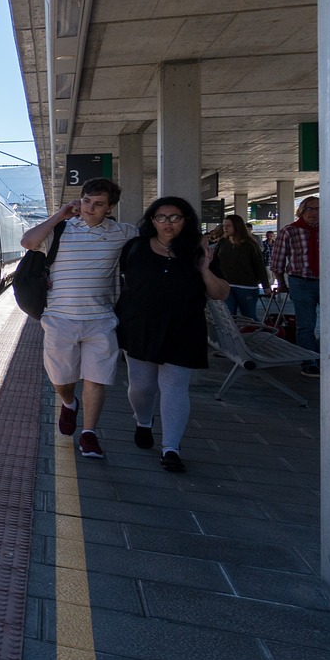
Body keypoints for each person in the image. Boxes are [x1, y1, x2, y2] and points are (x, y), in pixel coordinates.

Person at [21, 177, 135, 459]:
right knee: (61, 377)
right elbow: (28, 241)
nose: (90, 208)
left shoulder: (124, 233)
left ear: (110, 208)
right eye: (86, 201)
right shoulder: (60, 231)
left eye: (98, 204)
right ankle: (69, 403)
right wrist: (60, 215)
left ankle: (89, 434)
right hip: (60, 319)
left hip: (101, 319)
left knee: (96, 378)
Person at [115, 197, 230, 473]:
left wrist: (204, 270)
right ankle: (143, 421)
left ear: (186, 220)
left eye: (175, 217)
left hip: (184, 328)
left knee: (175, 387)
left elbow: (220, 293)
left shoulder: (199, 252)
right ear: (152, 221)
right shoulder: (135, 248)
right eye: (161, 217)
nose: (168, 223)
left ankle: (171, 448)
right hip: (140, 327)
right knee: (141, 386)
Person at [269, 195, 321, 376]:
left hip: (327, 282)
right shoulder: (290, 231)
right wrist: (281, 282)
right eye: (310, 209)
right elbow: (277, 261)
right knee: (306, 324)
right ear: (302, 211)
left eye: (318, 209)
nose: (315, 213)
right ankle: (309, 362)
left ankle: (322, 355)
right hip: (301, 282)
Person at [212, 213, 269, 319]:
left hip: (247, 286)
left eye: (228, 226)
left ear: (237, 226)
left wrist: (266, 286)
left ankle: (256, 334)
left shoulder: (250, 245)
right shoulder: (223, 242)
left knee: (249, 316)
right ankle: (232, 335)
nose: (225, 228)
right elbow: (215, 262)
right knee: (228, 316)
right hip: (226, 285)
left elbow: (259, 265)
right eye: (224, 226)